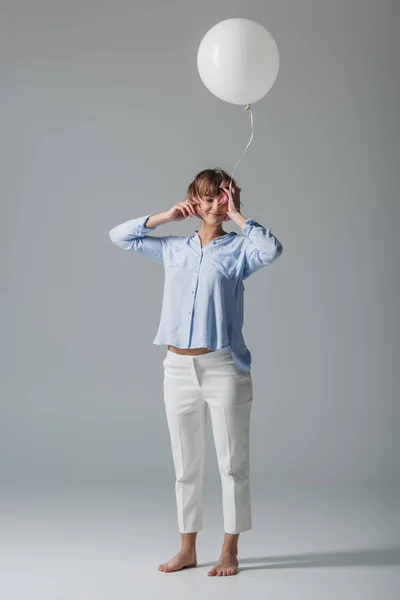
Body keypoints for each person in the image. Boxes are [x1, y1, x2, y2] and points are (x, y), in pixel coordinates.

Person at [109, 168, 283, 576]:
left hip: (223, 367)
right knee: (185, 465)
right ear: (194, 200)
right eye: (209, 197)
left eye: (223, 197)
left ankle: (229, 551)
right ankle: (187, 548)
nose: (216, 205)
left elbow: (271, 249)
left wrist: (239, 214)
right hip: (177, 369)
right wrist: (165, 217)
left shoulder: (240, 251)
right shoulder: (174, 249)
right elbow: (120, 236)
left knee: (231, 464)